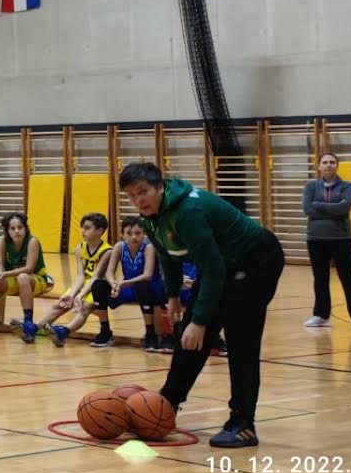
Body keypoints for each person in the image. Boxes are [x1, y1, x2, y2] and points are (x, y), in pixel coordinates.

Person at [120, 161, 283, 448]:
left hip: (256, 260)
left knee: (240, 338)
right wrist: (172, 295)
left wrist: (200, 320)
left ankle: (243, 423)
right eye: (131, 195)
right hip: (222, 265)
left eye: (143, 191)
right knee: (189, 338)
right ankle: (165, 406)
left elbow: (212, 270)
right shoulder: (150, 218)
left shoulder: (188, 212)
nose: (138, 200)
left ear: (160, 187)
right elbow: (168, 256)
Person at [302, 153, 351, 331]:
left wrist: (319, 205)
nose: (329, 165)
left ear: (337, 166)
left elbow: (344, 208)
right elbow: (307, 209)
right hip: (316, 239)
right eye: (325, 162)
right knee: (320, 278)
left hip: (341, 239)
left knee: (348, 277)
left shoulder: (348, 186)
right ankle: (321, 315)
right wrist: (332, 209)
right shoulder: (310, 186)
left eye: (332, 162)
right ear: (319, 166)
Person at [43, 214, 115, 347]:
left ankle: (64, 332)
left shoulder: (107, 251)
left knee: (84, 307)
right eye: (82, 227)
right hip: (85, 284)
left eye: (87, 228)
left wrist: (80, 295)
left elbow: (96, 277)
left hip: (99, 287)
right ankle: (35, 328)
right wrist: (71, 294)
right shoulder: (79, 248)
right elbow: (80, 276)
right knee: (60, 303)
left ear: (99, 231)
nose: (82, 231)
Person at [94, 216, 164, 351]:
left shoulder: (149, 247)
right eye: (129, 233)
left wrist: (123, 283)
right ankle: (105, 331)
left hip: (148, 286)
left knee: (143, 287)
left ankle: (151, 335)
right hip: (128, 287)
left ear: (144, 234)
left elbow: (147, 275)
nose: (134, 237)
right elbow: (109, 272)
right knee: (98, 285)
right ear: (122, 234)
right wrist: (113, 283)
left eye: (138, 233)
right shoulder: (119, 247)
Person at [0, 212, 53, 342]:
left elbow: (29, 269)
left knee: (23, 277)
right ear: (7, 231)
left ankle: (28, 322)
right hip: (15, 278)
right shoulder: (2, 240)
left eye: (20, 227)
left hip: (37, 279)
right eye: (13, 228)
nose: (17, 231)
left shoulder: (32, 241)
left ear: (25, 228)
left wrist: (4, 274)